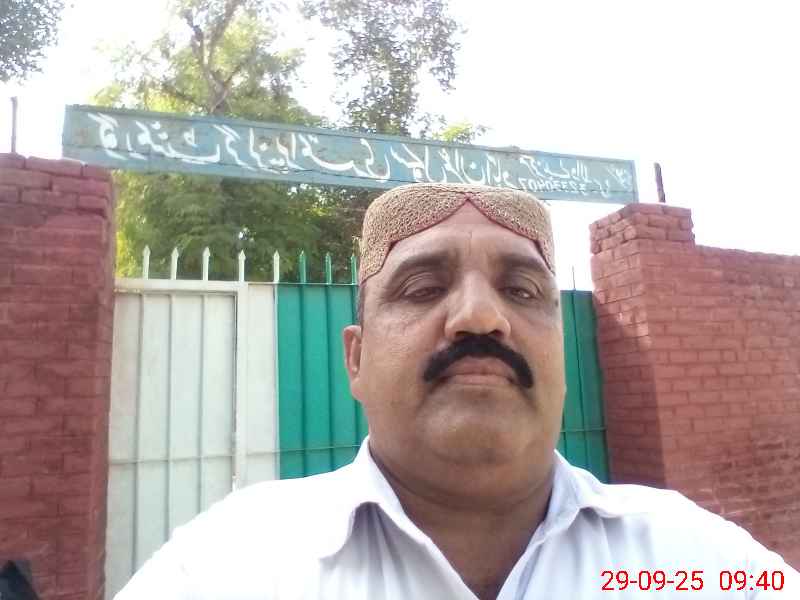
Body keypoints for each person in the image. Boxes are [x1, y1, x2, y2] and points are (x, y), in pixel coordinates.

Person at [115, 183, 798, 599]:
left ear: (562, 352)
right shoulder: (228, 566)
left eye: (522, 290)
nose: (479, 317)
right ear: (356, 359)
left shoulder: (696, 562)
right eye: (422, 287)